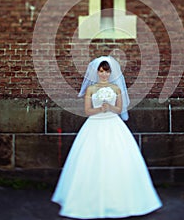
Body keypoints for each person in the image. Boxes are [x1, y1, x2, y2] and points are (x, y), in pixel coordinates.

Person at [51, 56, 162, 219]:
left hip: (113, 124)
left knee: (118, 158)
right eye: (101, 71)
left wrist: (109, 107)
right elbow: (88, 111)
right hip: (94, 124)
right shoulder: (90, 89)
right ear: (97, 72)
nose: (104, 74)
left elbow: (119, 109)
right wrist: (100, 109)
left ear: (111, 73)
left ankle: (123, 201)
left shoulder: (116, 88)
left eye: (107, 71)